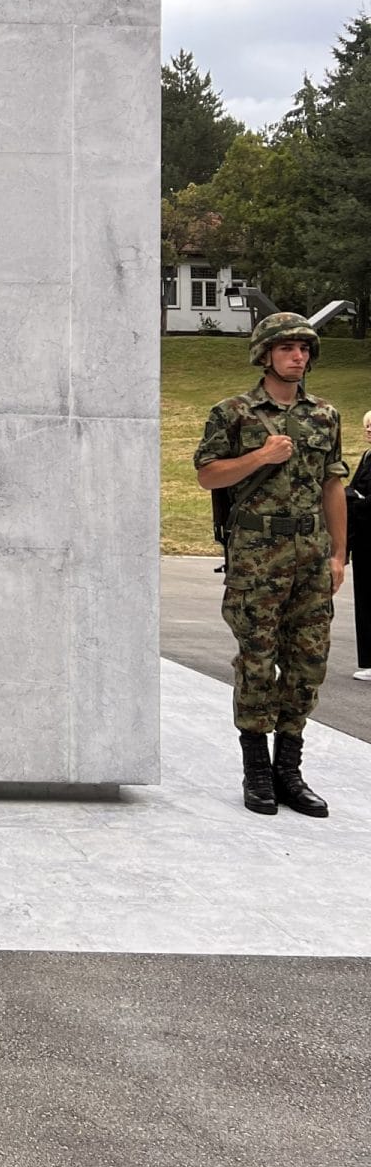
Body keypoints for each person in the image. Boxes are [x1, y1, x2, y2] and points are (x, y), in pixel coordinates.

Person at [194, 311, 346, 817]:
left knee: (308, 663)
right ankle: (257, 771)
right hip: (257, 558)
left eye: (304, 349)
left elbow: (332, 484)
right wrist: (259, 457)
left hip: (311, 558)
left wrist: (339, 554)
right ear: (265, 355)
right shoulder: (233, 413)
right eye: (287, 348)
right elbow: (208, 476)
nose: (297, 357)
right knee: (257, 661)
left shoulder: (324, 415)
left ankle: (289, 771)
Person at [344, 409, 371, 683]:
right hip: (362, 538)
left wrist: (356, 499)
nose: (369, 430)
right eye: (367, 426)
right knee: (364, 600)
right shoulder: (366, 456)